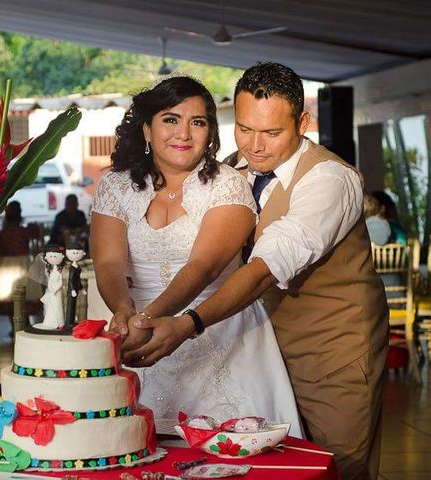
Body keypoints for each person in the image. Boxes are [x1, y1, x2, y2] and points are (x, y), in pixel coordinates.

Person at [123, 64, 389, 480]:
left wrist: (189, 323)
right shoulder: (231, 172)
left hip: (331, 355)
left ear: (303, 123)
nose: (255, 146)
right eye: (244, 129)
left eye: (271, 133)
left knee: (337, 468)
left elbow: (267, 267)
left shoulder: (329, 180)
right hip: (261, 355)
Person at [90, 75, 301, 436]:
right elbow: (108, 263)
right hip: (134, 332)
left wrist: (148, 319)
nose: (184, 134)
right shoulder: (115, 186)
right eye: (171, 120)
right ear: (146, 130)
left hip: (216, 328)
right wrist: (124, 314)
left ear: (211, 132)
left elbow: (203, 267)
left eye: (197, 122)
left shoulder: (228, 184)